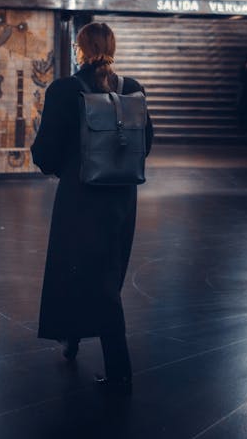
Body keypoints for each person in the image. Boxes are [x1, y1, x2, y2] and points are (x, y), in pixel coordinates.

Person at [31, 21, 153, 395]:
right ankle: (74, 339)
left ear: (78, 49)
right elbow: (145, 144)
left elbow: (45, 153)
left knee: (77, 271)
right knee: (107, 272)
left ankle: (118, 368)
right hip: (122, 197)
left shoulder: (64, 90)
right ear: (112, 47)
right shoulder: (132, 89)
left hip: (80, 196)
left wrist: (63, 168)